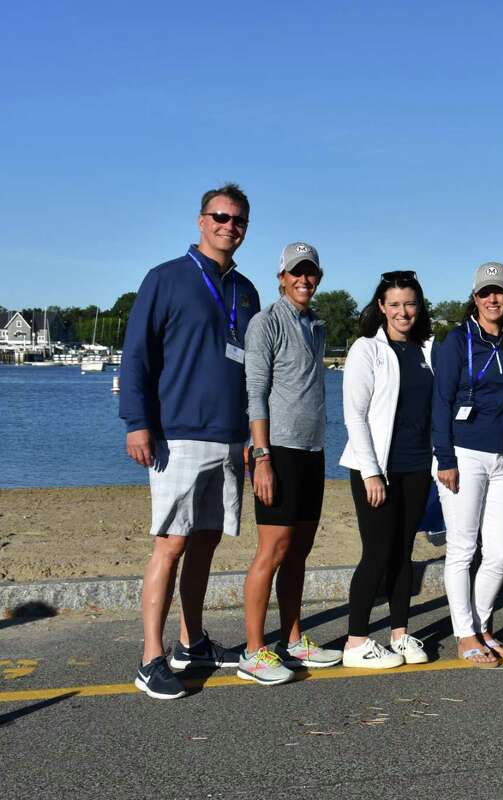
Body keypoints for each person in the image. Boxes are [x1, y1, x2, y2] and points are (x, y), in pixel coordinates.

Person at [120, 184, 261, 699]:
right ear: (202, 221)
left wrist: (254, 438)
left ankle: (191, 641)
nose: (230, 226)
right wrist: (137, 421)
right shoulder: (166, 279)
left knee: (206, 542)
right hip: (176, 435)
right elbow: (135, 355)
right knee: (171, 543)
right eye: (221, 217)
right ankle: (150, 657)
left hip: (229, 437)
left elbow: (253, 372)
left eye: (239, 220)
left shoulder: (245, 291)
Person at [239, 243, 341, 685]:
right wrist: (261, 457)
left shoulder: (315, 325)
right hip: (276, 450)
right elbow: (255, 393)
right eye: (296, 272)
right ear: (281, 276)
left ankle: (294, 638)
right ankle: (253, 650)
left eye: (311, 273)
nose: (304, 279)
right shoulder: (266, 323)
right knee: (273, 550)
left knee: (299, 550)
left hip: (311, 451)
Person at [433, 262, 503, 667]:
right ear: (474, 298)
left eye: (500, 292)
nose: (493, 299)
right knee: (462, 549)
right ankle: (465, 634)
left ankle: (483, 624)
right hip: (463, 454)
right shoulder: (456, 341)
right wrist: (445, 457)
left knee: (499, 553)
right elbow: (439, 404)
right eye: (485, 293)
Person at [339, 271, 437, 669]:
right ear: (381, 307)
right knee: (377, 553)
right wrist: (371, 472)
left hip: (417, 466)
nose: (403, 311)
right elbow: (354, 415)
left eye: (409, 303)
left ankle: (399, 633)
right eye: (394, 304)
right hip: (376, 469)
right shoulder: (367, 350)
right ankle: (356, 641)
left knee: (404, 552)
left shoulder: (427, 350)